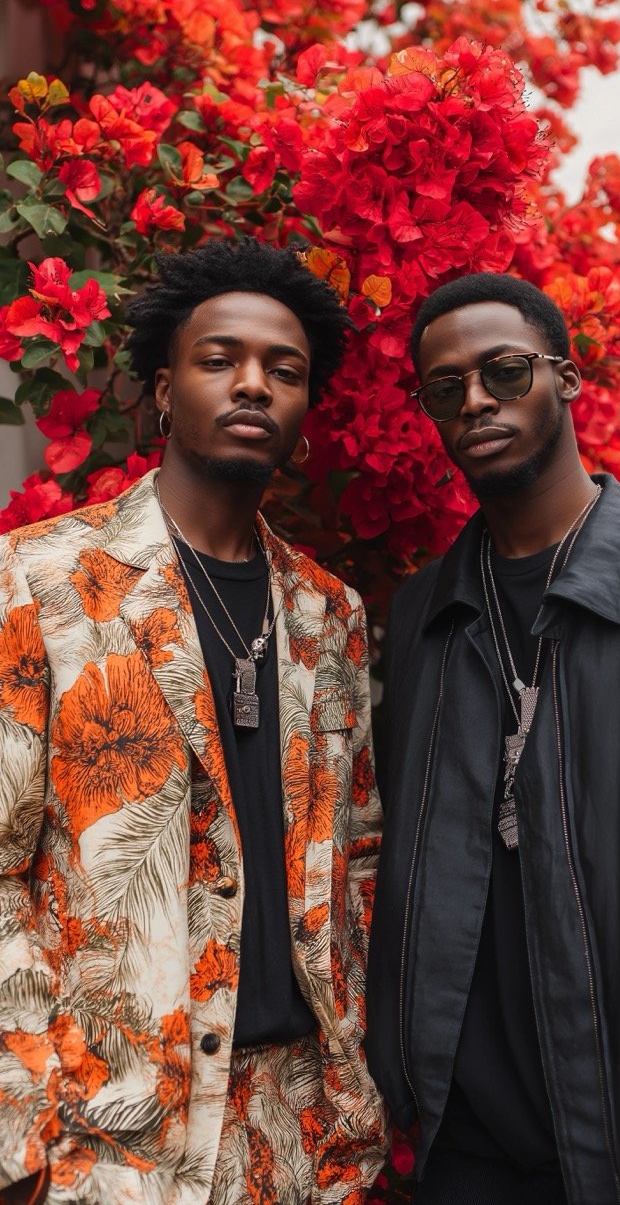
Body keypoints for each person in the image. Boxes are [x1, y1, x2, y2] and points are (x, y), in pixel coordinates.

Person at [0, 238, 386, 1205]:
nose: (252, 383)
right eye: (219, 360)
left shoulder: (327, 613)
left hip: (300, 1138)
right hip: (110, 1143)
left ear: (302, 410)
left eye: (283, 370)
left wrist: (355, 1096)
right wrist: (21, 1136)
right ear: (165, 390)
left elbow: (358, 857)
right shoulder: (42, 583)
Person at [365, 272, 620, 1205]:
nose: (475, 399)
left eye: (503, 371)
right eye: (445, 388)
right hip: (467, 1142)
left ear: (565, 378)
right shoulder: (420, 613)